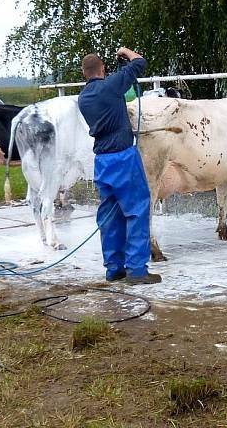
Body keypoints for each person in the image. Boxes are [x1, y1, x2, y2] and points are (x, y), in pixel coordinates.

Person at [77, 47, 161, 285]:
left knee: (110, 215)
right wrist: (125, 51)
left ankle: (114, 268)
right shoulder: (110, 86)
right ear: (102, 69)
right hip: (123, 157)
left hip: (102, 162)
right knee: (137, 209)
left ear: (84, 74)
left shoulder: (84, 98)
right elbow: (140, 62)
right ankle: (136, 270)